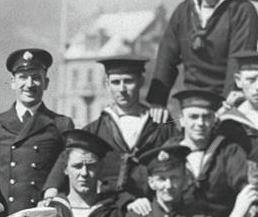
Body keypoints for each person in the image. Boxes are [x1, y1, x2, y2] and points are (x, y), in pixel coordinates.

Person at [147, 0, 258, 108]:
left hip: (229, 102)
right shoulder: (183, 12)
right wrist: (157, 102)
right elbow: (166, 57)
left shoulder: (242, 10)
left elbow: (238, 62)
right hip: (192, 102)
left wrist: (226, 106)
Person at [44, 55, 174, 199]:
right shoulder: (95, 129)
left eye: (128, 81)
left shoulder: (160, 123)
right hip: (110, 206)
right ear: (107, 84)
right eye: (116, 82)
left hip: (152, 205)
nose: (122, 89)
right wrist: (52, 190)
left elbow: (182, 152)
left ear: (141, 81)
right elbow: (68, 157)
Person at [0, 48, 75, 212]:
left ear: (46, 83)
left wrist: (52, 190)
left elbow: (65, 165)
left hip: (42, 214)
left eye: (36, 78)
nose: (29, 84)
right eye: (23, 78)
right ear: (13, 82)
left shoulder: (61, 124)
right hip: (3, 216)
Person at [173, 89, 251, 217]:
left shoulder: (229, 151)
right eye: (193, 117)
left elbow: (245, 188)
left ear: (215, 119)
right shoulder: (171, 151)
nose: (200, 123)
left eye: (206, 117)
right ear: (181, 120)